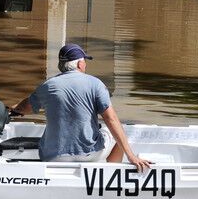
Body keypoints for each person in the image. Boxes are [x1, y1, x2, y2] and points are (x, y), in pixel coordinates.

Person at [12, 43, 150, 171]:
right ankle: (111, 172)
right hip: (89, 154)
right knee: (120, 129)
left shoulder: (47, 86)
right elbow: (111, 119)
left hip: (53, 156)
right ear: (79, 63)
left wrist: (13, 109)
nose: (85, 65)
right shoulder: (96, 84)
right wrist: (131, 156)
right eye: (84, 61)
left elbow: (25, 107)